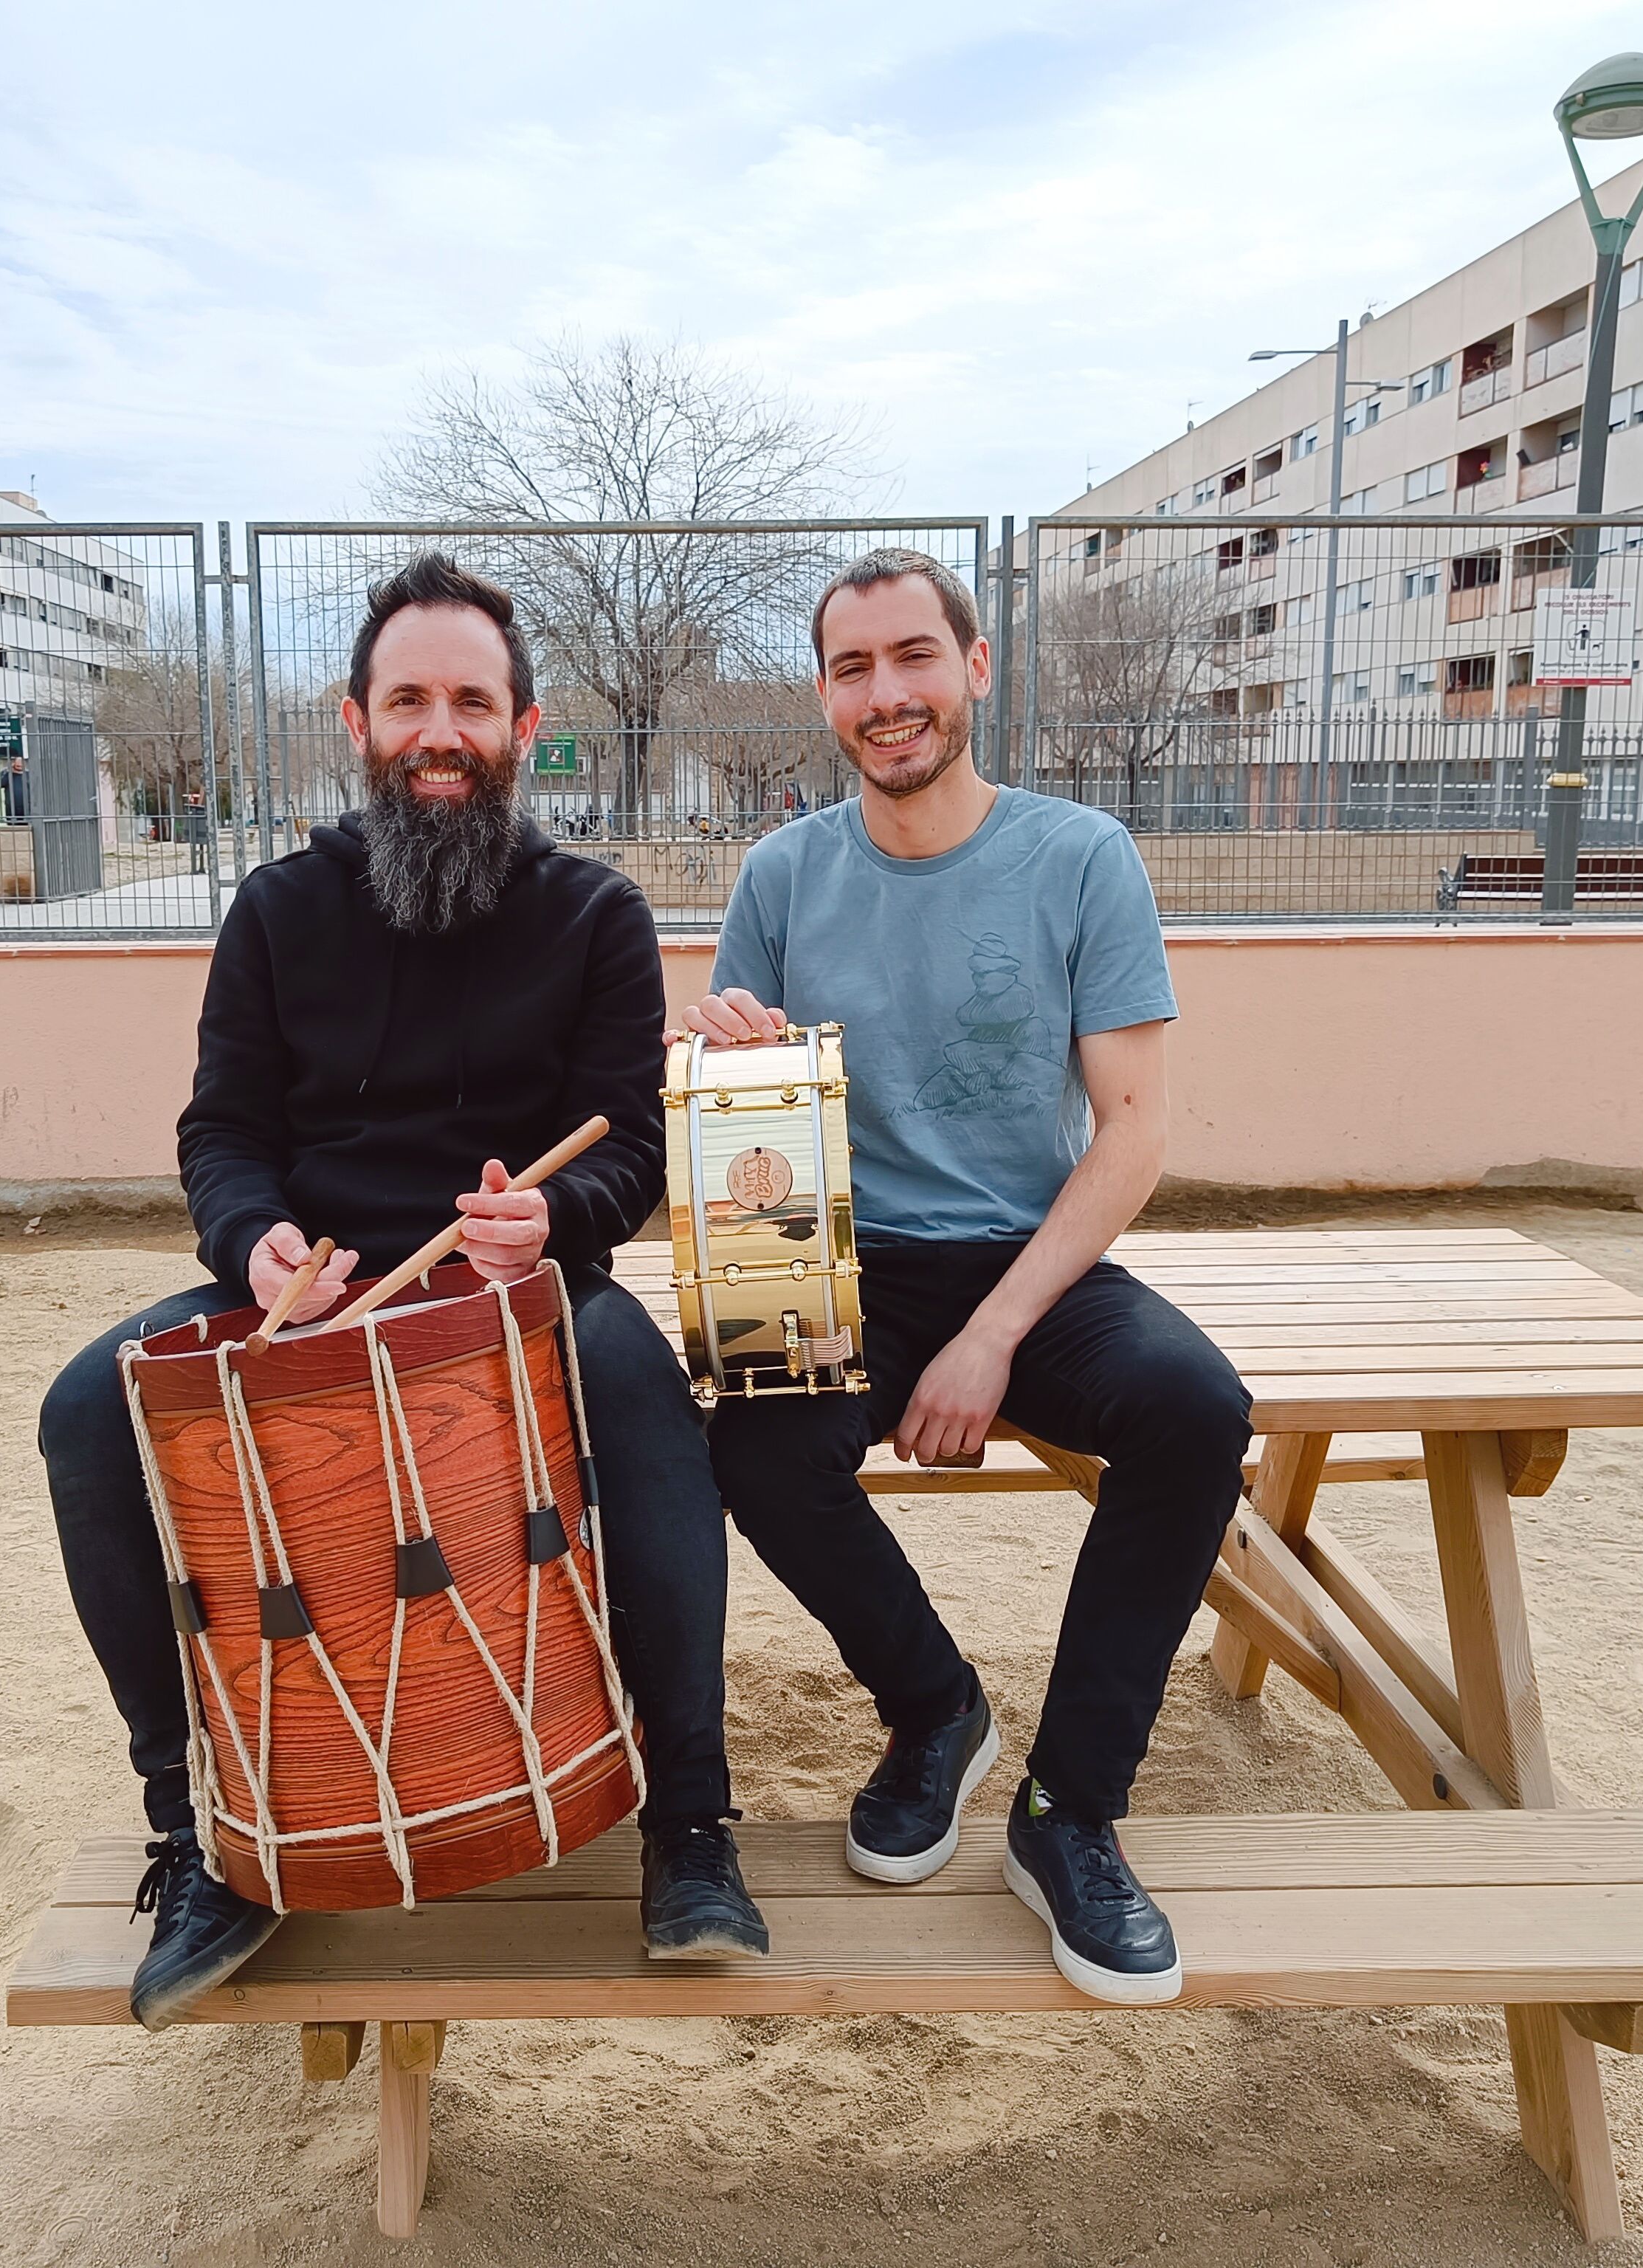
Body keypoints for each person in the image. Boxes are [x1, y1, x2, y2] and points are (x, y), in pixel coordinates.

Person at [41, 554, 768, 2030]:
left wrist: (549, 1221)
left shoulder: (594, 915)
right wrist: (252, 1247)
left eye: (472, 704)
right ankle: (204, 1841)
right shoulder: (273, 911)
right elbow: (223, 1131)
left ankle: (691, 1823)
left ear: (522, 725)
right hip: (306, 1302)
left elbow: (629, 1144)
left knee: (648, 1407)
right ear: (356, 721)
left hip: (521, 1297)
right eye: (409, 701)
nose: (441, 731)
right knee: (82, 1419)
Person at [684, 548, 1251, 2004]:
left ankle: (1072, 1813)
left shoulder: (1078, 858)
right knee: (745, 1435)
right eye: (854, 669)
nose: (888, 696)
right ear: (825, 694)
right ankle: (935, 1709)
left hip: (1029, 1255)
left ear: (975, 667)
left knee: (1195, 1410)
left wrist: (993, 1336)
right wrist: (724, 1061)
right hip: (848, 1261)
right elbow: (745, 1133)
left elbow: (1132, 1134)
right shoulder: (782, 872)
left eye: (912, 658)